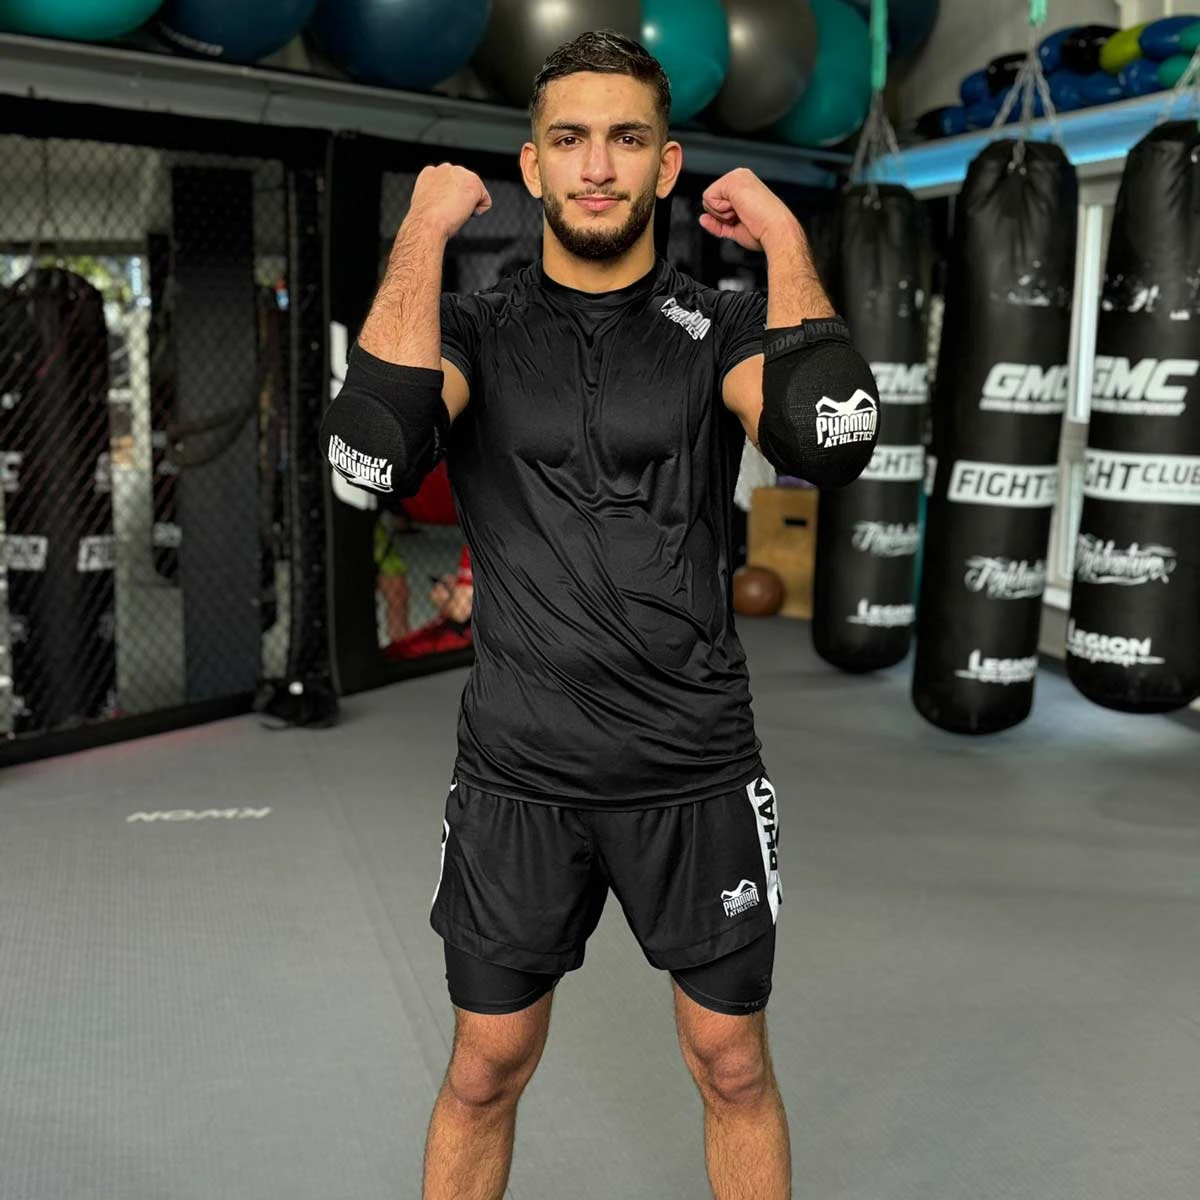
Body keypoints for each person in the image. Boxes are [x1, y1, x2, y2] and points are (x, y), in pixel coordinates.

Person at [320, 31, 879, 1200]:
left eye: (626, 139)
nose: (596, 166)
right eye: (568, 140)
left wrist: (786, 237)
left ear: (666, 166)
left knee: (732, 1066)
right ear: (532, 166)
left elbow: (829, 438)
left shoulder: (718, 329)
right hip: (518, 773)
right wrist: (421, 228)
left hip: (695, 766)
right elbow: (371, 451)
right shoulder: (473, 331)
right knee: (483, 1071)